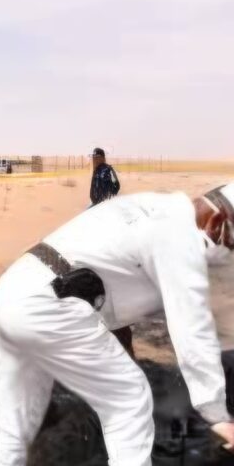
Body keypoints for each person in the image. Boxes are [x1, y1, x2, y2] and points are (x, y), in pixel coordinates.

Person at [0, 181, 234, 466]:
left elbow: (106, 278)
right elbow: (192, 328)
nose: (229, 253)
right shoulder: (179, 238)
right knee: (129, 398)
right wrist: (218, 415)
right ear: (218, 223)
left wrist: (120, 351)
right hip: (52, 307)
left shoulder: (150, 206)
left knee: (18, 406)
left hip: (14, 294)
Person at [88, 147, 132, 356]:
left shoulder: (107, 170)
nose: (94, 161)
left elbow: (115, 186)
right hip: (95, 206)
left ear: (102, 158)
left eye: (97, 158)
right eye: (93, 158)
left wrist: (106, 200)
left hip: (106, 206)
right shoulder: (96, 171)